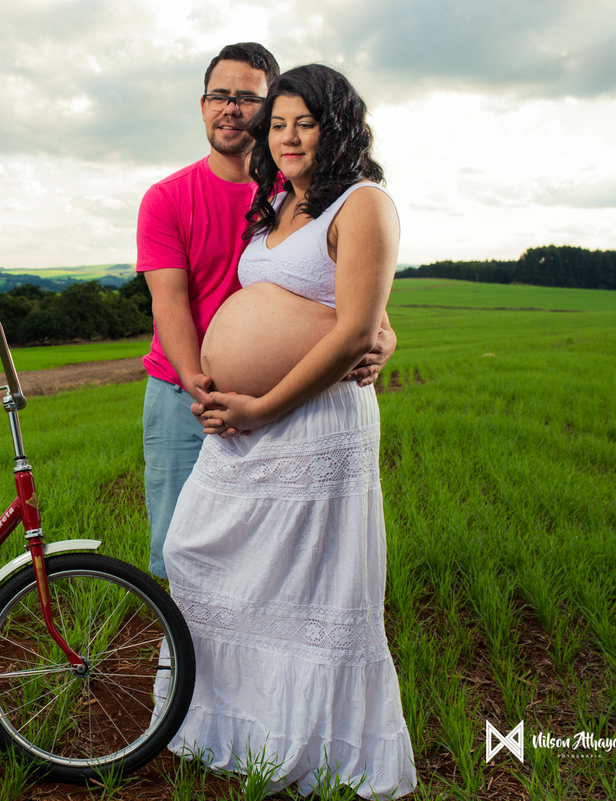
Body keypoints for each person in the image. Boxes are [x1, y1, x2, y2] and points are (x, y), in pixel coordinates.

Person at [160, 64, 417, 798]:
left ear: (338, 128)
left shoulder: (364, 204)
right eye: (278, 124)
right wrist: (232, 395)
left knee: (308, 584)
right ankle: (234, 725)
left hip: (312, 421)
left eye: (305, 123)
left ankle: (303, 742)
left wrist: (263, 405)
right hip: (249, 422)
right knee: (195, 549)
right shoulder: (275, 205)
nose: (289, 137)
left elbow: (357, 330)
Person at [136, 44, 396, 579]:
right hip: (186, 394)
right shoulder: (174, 198)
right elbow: (170, 305)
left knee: (265, 556)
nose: (231, 108)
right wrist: (200, 387)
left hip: (290, 399)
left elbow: (352, 289)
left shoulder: (303, 189)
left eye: (247, 99)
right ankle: (179, 637)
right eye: (219, 96)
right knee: (179, 544)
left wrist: (384, 335)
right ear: (203, 106)